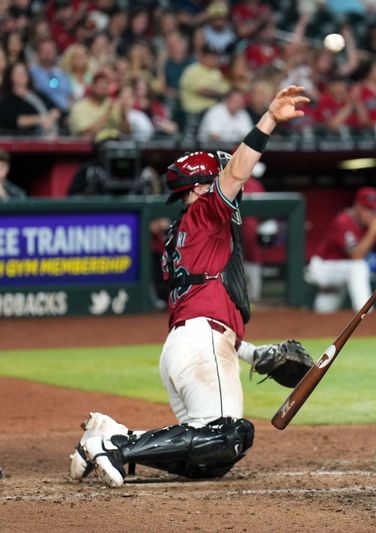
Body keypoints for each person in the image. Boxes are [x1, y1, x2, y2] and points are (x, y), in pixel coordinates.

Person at [68, 86, 314, 488]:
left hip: (188, 347)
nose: (227, 181)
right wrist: (268, 118)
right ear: (199, 189)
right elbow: (237, 171)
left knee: (210, 458)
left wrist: (253, 354)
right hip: (201, 347)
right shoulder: (204, 214)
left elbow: (206, 308)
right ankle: (114, 448)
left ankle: (110, 434)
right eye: (215, 178)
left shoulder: (182, 232)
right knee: (228, 434)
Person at [305, 186, 376, 314]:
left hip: (342, 273)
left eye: (374, 209)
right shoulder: (343, 221)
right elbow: (356, 255)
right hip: (322, 268)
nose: (371, 213)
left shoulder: (369, 223)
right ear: (357, 206)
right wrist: (374, 230)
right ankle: (365, 313)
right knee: (358, 267)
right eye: (367, 209)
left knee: (324, 312)